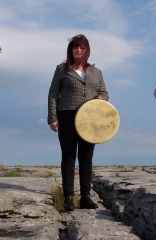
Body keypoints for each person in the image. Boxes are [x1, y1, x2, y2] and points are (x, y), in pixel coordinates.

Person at [48, 34, 109, 211]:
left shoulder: (96, 72)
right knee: (68, 157)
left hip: (90, 119)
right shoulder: (61, 69)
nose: (78, 50)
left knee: (86, 158)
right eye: (75, 47)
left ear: (87, 50)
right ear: (71, 49)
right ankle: (68, 197)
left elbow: (105, 93)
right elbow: (53, 94)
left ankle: (85, 197)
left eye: (82, 47)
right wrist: (53, 117)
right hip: (66, 116)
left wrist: (100, 97)